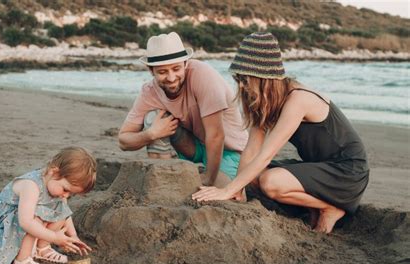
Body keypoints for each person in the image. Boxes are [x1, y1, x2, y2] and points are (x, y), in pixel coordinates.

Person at [192, 32, 369, 233]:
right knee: (253, 176)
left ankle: (329, 208)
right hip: (319, 167)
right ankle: (313, 206)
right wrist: (238, 190)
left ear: (263, 78)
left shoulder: (298, 99)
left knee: (270, 181)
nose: (241, 85)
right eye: (238, 78)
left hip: (347, 172)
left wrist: (226, 191)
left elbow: (266, 155)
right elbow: (251, 150)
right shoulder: (265, 101)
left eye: (245, 79)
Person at [118, 32, 249, 187]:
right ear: (150, 70)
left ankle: (206, 175)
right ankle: (162, 181)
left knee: (219, 194)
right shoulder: (149, 91)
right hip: (192, 146)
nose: (171, 78)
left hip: (229, 150)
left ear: (186, 63)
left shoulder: (203, 76)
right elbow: (123, 141)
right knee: (153, 119)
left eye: (176, 68)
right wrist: (151, 134)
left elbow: (216, 135)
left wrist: (208, 180)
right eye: (162, 72)